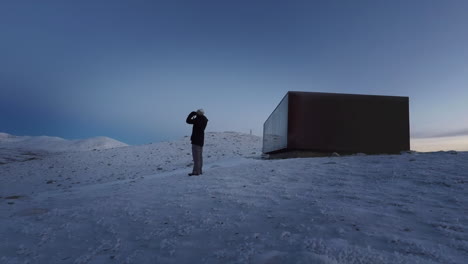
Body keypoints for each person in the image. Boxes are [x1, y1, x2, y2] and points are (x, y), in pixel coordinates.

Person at [186, 109, 208, 176]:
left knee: (196, 157)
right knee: (199, 157)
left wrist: (192, 114)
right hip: (200, 140)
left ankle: (196, 172)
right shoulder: (204, 119)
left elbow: (188, 121)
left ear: (199, 113)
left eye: (197, 112)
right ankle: (199, 171)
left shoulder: (198, 119)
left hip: (196, 140)